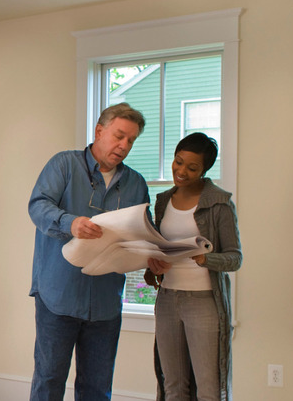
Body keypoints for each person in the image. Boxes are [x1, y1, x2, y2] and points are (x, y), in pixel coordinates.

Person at [27, 103, 150, 400]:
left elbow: (145, 232)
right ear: (99, 131)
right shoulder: (64, 165)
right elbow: (38, 206)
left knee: (97, 388)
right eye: (119, 136)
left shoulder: (136, 184)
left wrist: (152, 255)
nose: (124, 145)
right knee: (49, 381)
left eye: (131, 140)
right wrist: (70, 223)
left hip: (106, 304)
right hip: (58, 296)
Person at [144, 132, 242, 401]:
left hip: (204, 302)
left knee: (209, 389)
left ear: (204, 170)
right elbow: (159, 248)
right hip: (167, 300)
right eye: (178, 162)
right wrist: (153, 268)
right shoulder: (163, 201)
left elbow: (235, 258)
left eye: (192, 167)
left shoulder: (220, 203)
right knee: (173, 386)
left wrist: (205, 258)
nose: (181, 171)